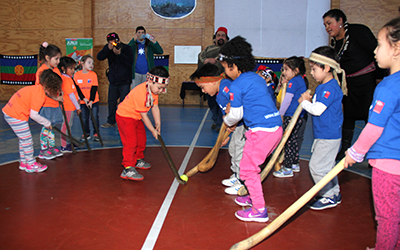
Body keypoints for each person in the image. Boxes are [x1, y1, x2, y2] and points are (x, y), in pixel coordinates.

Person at [344, 17, 400, 250]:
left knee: (387, 219)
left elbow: (374, 127)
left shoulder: (387, 86)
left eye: (379, 44)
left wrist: (354, 153)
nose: (374, 50)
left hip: (389, 166)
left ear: (396, 49)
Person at [219, 36, 283, 222]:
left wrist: (226, 118)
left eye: (225, 68)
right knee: (252, 167)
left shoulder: (237, 85)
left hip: (261, 132)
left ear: (233, 65)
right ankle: (253, 196)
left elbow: (236, 116)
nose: (224, 72)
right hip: (274, 128)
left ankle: (259, 210)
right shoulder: (256, 78)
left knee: (247, 170)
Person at [323, 9, 378, 160]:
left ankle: (373, 151)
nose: (327, 28)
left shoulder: (358, 31)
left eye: (329, 23)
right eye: (325, 25)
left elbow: (376, 51)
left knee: (370, 117)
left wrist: (382, 75)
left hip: (366, 83)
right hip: (349, 85)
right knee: (348, 116)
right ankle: (345, 148)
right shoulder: (336, 43)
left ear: (340, 21)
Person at [298, 46, 346, 210]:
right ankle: (334, 193)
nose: (311, 73)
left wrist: (304, 103)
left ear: (326, 68)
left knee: (317, 167)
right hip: (324, 134)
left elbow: (317, 110)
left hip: (328, 136)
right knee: (327, 167)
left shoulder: (330, 88)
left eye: (314, 68)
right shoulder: (323, 87)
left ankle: (328, 196)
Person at [189, 63, 245, 195]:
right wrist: (225, 134)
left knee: (240, 152)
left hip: (244, 125)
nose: (203, 91)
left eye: (203, 87)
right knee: (233, 150)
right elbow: (227, 117)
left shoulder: (226, 86)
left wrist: (234, 107)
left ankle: (242, 181)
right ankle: (236, 174)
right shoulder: (219, 94)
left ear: (212, 81)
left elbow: (239, 101)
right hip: (236, 125)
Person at [2, 69, 62, 172]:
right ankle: (30, 163)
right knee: (27, 140)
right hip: (15, 115)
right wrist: (46, 122)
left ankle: (24, 162)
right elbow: (34, 115)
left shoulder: (37, 89)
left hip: (11, 112)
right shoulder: (40, 95)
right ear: (50, 88)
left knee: (23, 139)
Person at [116, 66, 169, 181]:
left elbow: (155, 107)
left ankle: (137, 159)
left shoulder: (153, 90)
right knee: (131, 142)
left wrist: (158, 124)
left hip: (136, 117)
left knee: (141, 139)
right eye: (159, 88)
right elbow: (145, 116)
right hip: (125, 116)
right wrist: (152, 130)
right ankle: (128, 168)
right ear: (150, 81)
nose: (160, 91)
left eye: (162, 89)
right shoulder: (141, 92)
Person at [273, 56, 308, 178]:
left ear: (296, 70)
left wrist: (281, 113)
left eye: (286, 70)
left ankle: (287, 168)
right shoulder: (299, 80)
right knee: (294, 139)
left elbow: (287, 99)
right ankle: (294, 163)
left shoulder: (294, 81)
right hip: (299, 115)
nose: (283, 73)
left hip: (291, 115)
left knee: (289, 140)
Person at [97, 32, 133, 128]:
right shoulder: (108, 48)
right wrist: (107, 49)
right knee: (111, 102)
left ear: (118, 40)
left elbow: (130, 62)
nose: (112, 43)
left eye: (114, 41)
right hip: (113, 80)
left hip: (124, 81)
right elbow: (99, 57)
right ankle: (111, 121)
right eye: (110, 42)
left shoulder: (126, 48)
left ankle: (123, 122)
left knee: (124, 103)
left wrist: (120, 54)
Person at [36, 42, 64, 160]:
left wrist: (60, 92)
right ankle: (43, 150)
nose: (58, 61)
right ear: (47, 58)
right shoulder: (42, 71)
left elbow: (57, 84)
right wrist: (56, 97)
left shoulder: (56, 70)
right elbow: (42, 91)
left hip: (54, 104)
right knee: (46, 127)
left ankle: (51, 147)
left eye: (59, 58)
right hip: (46, 104)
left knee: (51, 127)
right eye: (56, 58)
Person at [198, 27, 229, 131]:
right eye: (218, 35)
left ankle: (222, 123)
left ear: (226, 38)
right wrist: (206, 61)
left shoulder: (229, 50)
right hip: (210, 83)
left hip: (224, 82)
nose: (220, 37)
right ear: (215, 38)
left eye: (223, 36)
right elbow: (200, 58)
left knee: (222, 102)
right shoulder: (208, 49)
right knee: (212, 103)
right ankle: (217, 121)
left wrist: (217, 60)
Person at [74, 55, 100, 142]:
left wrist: (91, 100)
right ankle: (86, 133)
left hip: (93, 101)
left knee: (94, 118)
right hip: (82, 102)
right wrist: (83, 99)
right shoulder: (77, 75)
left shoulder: (93, 75)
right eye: (89, 62)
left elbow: (94, 88)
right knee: (84, 118)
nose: (91, 65)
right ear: (82, 63)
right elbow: (77, 88)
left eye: (92, 63)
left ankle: (96, 133)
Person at [58, 57, 81, 153]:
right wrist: (78, 107)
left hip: (70, 106)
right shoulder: (66, 80)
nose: (73, 71)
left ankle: (67, 141)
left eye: (73, 68)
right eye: (70, 68)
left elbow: (74, 92)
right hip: (67, 106)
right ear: (63, 68)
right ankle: (63, 145)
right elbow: (71, 96)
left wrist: (78, 98)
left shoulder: (68, 78)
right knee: (66, 125)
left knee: (69, 125)